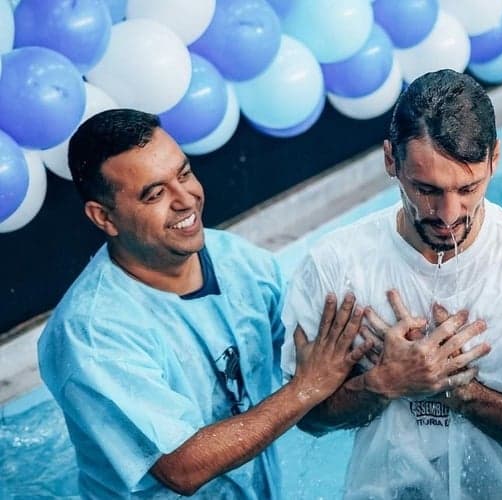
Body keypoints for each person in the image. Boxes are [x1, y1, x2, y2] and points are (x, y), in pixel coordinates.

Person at [280, 69, 502, 499]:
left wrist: (461, 390)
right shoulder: (334, 270)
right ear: (389, 161)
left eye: (468, 187)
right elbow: (305, 416)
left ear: (495, 158)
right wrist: (383, 382)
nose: (448, 212)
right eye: (426, 189)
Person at [37, 109, 371, 498]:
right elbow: (182, 468)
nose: (186, 200)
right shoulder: (91, 333)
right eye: (155, 193)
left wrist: (383, 379)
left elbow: (318, 385)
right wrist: (305, 388)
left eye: (184, 174)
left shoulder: (238, 260)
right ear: (104, 217)